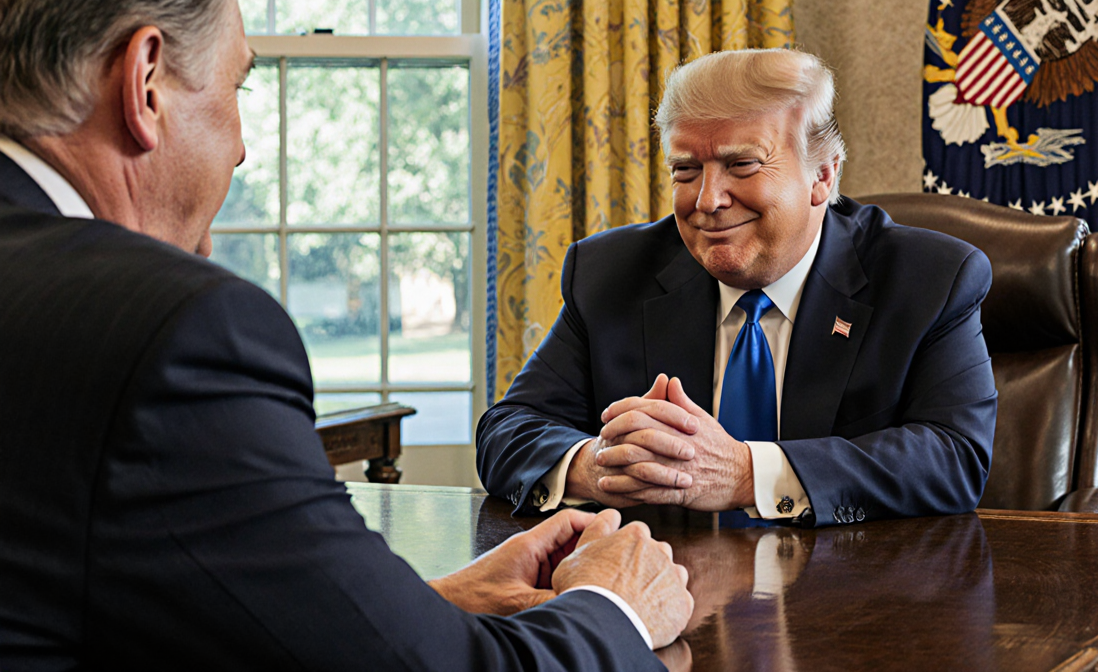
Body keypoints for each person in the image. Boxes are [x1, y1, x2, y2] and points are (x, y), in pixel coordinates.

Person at [0, 1, 692, 669]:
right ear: (146, 82)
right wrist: (613, 606)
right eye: (239, 84)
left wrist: (417, 610)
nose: (241, 149)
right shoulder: (171, 328)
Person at [477, 48, 998, 528]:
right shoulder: (610, 273)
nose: (707, 199)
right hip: (664, 596)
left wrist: (747, 473)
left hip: (852, 599)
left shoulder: (930, 279)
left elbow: (954, 457)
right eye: (685, 170)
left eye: (741, 164)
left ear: (822, 175)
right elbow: (507, 430)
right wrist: (601, 465)